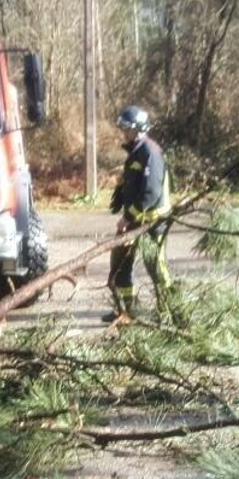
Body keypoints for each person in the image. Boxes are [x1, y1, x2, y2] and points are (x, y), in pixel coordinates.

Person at [104, 106, 174, 325]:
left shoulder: (150, 152)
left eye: (127, 128)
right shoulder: (136, 151)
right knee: (121, 263)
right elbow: (132, 182)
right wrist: (120, 196)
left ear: (139, 129)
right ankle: (126, 311)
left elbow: (151, 192)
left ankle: (168, 312)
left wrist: (128, 217)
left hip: (153, 220)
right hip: (135, 218)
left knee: (155, 266)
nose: (124, 132)